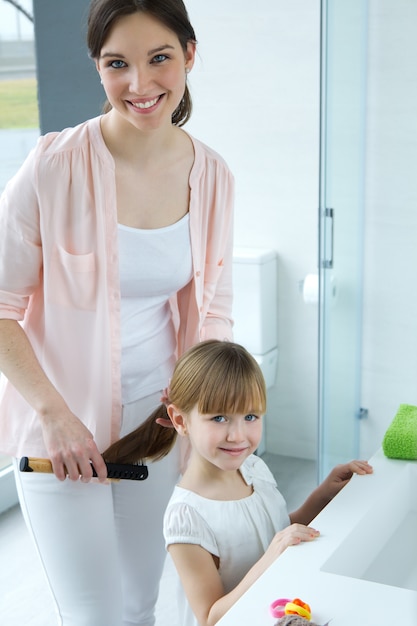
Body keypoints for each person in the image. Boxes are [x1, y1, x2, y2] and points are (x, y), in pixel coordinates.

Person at [0, 1, 234, 625]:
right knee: (95, 616)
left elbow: (214, 313)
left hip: (158, 430)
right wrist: (53, 413)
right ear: (98, 69)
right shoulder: (53, 166)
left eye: (159, 58)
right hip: (61, 436)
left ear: (189, 53)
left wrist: (209, 422)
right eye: (116, 64)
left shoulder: (212, 176)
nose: (139, 84)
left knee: (140, 604)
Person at [107, 340, 373, 626]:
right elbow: (210, 616)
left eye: (250, 417)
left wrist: (323, 495)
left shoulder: (254, 469)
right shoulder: (187, 517)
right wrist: (272, 556)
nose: (238, 435)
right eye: (219, 418)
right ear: (181, 421)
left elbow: (274, 531)